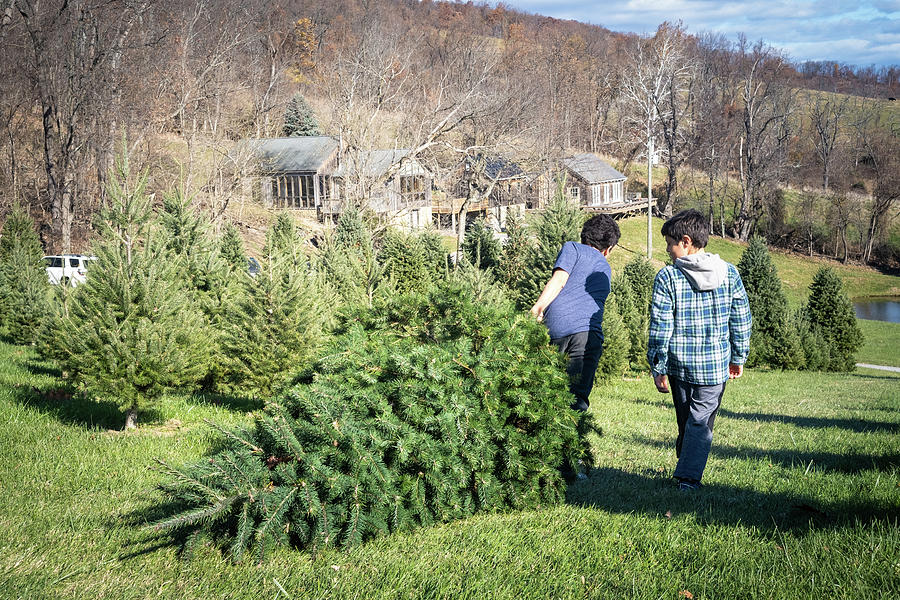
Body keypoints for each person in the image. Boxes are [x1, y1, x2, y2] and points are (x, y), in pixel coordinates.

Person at [647, 209, 752, 491]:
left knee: (693, 423)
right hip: (713, 367)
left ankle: (687, 478)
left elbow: (660, 326)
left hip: (680, 365)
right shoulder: (730, 273)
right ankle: (688, 472)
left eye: (669, 243)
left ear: (685, 241)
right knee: (696, 423)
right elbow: (741, 318)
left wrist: (658, 365)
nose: (667, 250)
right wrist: (738, 356)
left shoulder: (668, 277)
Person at [530, 214, 620, 412]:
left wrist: (538, 308)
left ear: (584, 236)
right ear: (608, 249)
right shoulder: (605, 267)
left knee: (547, 394)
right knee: (577, 399)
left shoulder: (572, 248)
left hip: (556, 329)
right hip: (589, 336)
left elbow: (559, 280)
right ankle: (573, 439)